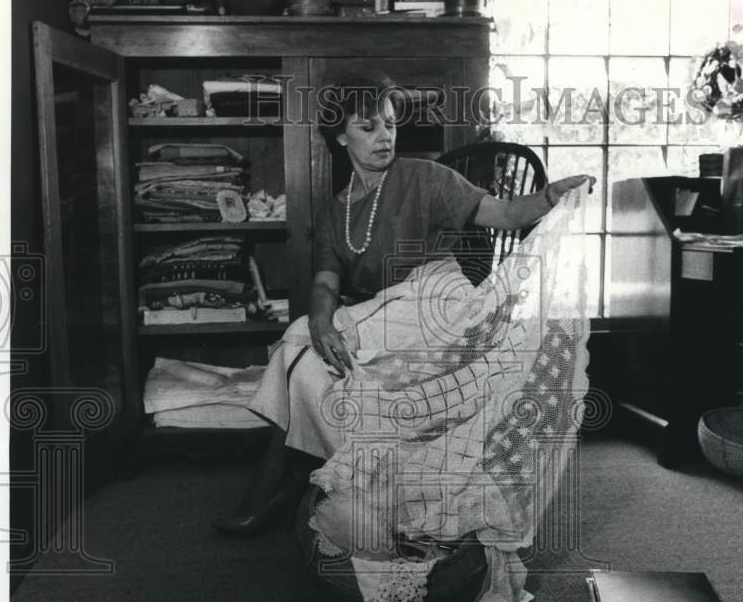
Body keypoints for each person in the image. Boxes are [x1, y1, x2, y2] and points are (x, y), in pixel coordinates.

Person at [212, 70, 593, 536]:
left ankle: (269, 491)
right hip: (390, 315)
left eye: (390, 125)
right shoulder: (336, 210)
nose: (384, 137)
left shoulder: (424, 176)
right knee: (304, 359)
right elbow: (326, 282)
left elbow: (507, 214)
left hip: (442, 306)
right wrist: (320, 316)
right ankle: (300, 482)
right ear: (339, 136)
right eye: (368, 127)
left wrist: (549, 197)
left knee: (294, 343)